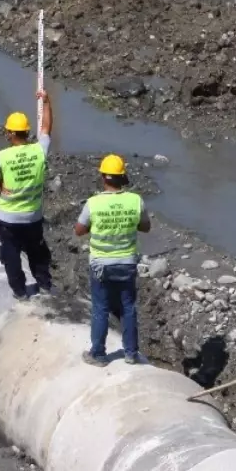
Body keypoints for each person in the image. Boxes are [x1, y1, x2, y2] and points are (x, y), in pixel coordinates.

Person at [74, 154, 151, 367]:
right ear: (122, 177)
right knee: (128, 307)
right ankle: (131, 354)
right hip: (126, 263)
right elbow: (145, 226)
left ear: (103, 178)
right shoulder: (135, 200)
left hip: (101, 266)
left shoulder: (94, 203)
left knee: (100, 308)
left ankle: (98, 354)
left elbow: (79, 230)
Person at [0, 90, 53, 299]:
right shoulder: (39, 150)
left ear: (10, 133)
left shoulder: (3, 156)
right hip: (32, 217)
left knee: (11, 256)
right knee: (37, 253)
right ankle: (44, 285)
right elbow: (46, 128)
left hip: (8, 218)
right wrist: (46, 102)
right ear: (27, 132)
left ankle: (20, 292)